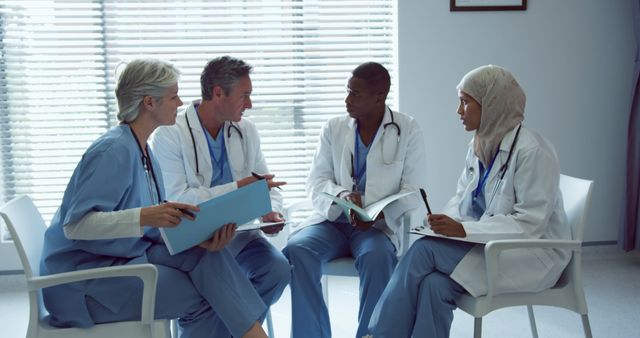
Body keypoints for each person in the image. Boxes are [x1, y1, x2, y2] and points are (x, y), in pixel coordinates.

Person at [40, 58, 270, 338]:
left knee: (207, 257)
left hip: (125, 257)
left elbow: (150, 223)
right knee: (208, 293)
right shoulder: (112, 151)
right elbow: (75, 226)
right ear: (149, 102)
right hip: (87, 282)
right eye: (173, 96)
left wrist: (198, 236)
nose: (181, 101)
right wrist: (144, 216)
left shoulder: (142, 150)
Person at [367, 65, 571, 338]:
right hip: (492, 247)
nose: (458, 111)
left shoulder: (533, 151)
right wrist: (443, 221)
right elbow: (463, 199)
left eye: (465, 102)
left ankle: (380, 335)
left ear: (492, 104)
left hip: (532, 254)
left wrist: (464, 230)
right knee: (434, 286)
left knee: (423, 251)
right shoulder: (481, 144)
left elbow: (530, 225)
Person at [282, 62, 427, 338]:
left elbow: (413, 190)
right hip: (332, 222)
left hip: (374, 228)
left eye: (355, 94)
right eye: (348, 92)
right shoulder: (334, 128)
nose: (347, 100)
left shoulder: (407, 129)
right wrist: (341, 196)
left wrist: (378, 213)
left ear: (379, 97)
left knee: (378, 256)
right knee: (298, 249)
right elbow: (316, 180)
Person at [149, 56, 290, 336]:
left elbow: (264, 183)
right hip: (197, 242)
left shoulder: (245, 130)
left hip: (241, 235)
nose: (249, 104)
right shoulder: (169, 134)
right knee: (211, 294)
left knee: (277, 270)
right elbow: (178, 198)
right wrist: (239, 187)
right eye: (244, 96)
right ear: (217, 93)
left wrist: (270, 212)